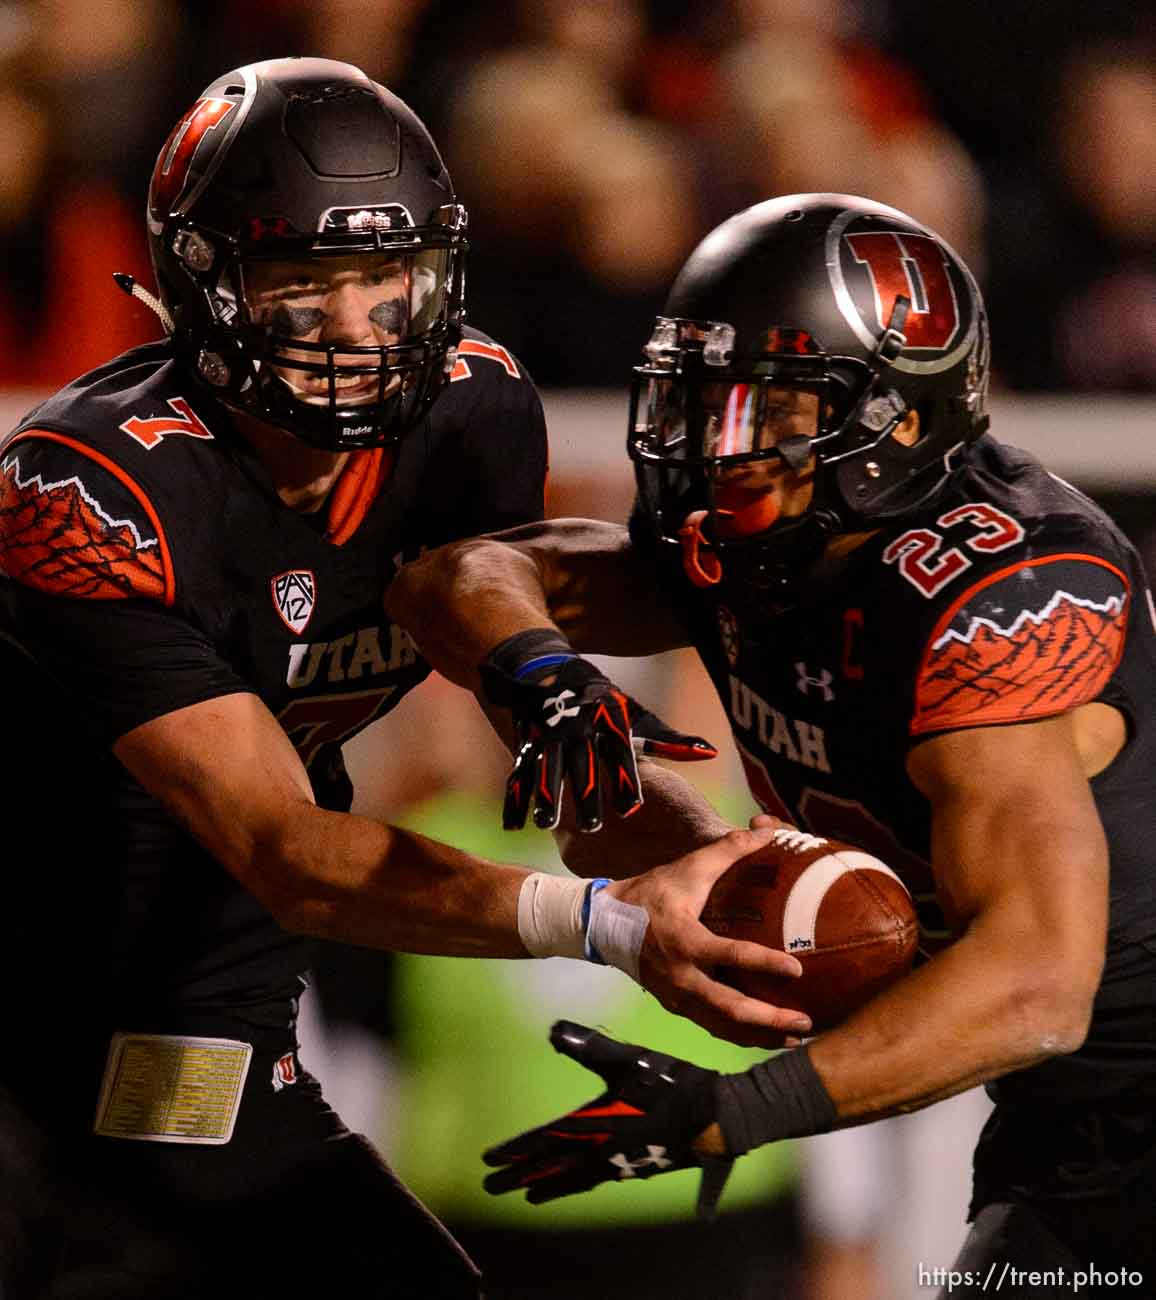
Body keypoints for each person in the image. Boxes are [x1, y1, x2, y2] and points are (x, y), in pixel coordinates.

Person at [0, 58, 807, 1300]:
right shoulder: (90, 489)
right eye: (302, 282)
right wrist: (607, 930)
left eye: (386, 277)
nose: (355, 323)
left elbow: (568, 778)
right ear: (204, 281)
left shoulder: (468, 411)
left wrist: (697, 865)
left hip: (197, 994)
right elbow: (281, 843)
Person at [386, 193, 1156, 1294]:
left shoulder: (993, 590)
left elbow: (1036, 982)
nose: (719, 446)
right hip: (1067, 1105)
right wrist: (546, 689)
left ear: (894, 417)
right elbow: (453, 580)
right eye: (703, 404)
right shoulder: (767, 544)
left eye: (766, 411)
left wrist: (729, 1111)